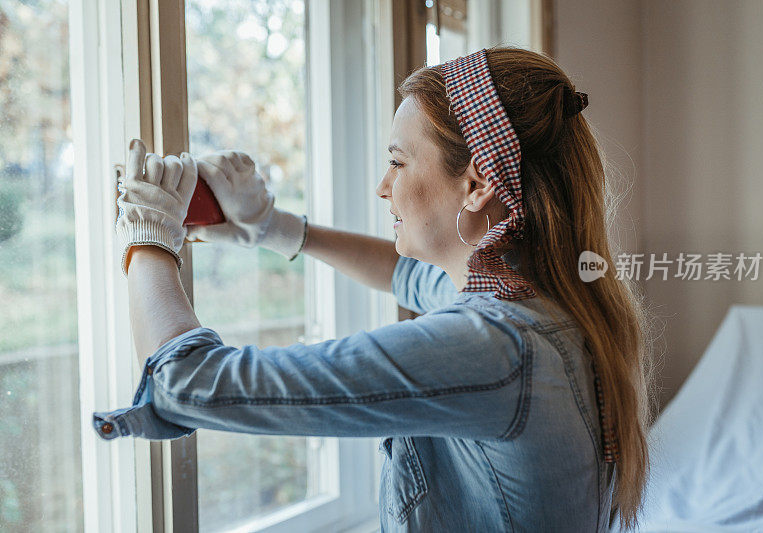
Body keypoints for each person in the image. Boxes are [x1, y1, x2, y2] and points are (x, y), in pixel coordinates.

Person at [98, 46, 653, 532]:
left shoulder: (496, 349)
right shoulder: (545, 304)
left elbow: (187, 384)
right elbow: (403, 273)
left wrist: (150, 235)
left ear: (479, 182)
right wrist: (272, 226)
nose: (382, 186)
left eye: (397, 160)